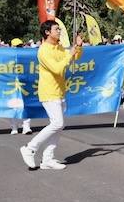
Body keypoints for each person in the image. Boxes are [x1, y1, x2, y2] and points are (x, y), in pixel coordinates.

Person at [20, 20, 83, 170]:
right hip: (49, 92)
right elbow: (57, 69)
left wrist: (78, 47)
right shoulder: (43, 51)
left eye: (59, 29)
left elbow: (75, 58)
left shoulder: (59, 47)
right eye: (57, 29)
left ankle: (48, 158)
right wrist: (70, 55)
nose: (59, 31)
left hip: (60, 91)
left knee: (58, 126)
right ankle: (30, 148)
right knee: (57, 123)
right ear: (47, 32)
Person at [8, 38, 32, 135]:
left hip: (24, 83)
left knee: (26, 105)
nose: (19, 48)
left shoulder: (26, 56)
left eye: (20, 46)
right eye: (17, 46)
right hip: (12, 84)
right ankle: (14, 126)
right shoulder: (7, 56)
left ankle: (26, 126)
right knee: (12, 105)